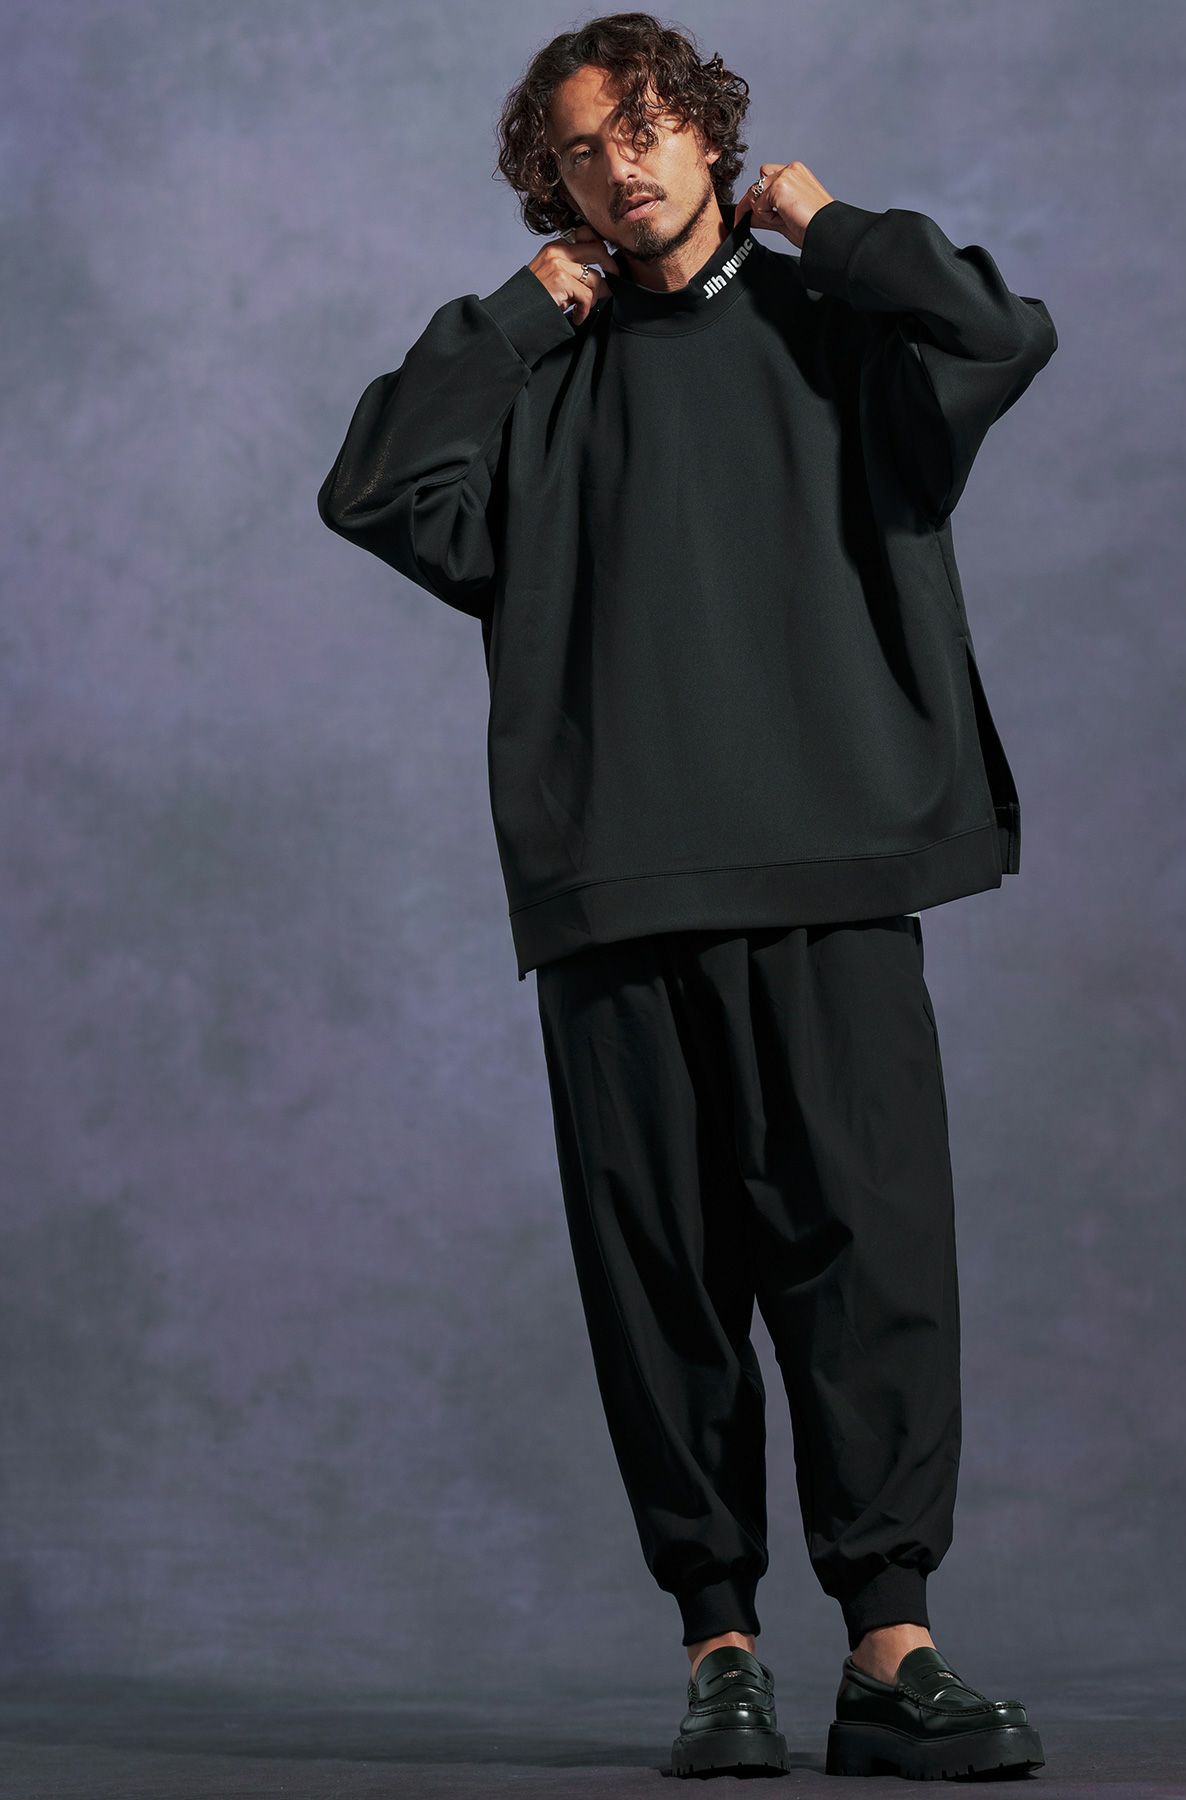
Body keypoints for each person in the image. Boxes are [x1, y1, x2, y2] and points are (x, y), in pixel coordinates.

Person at [316, 12, 1056, 1781]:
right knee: (662, 1284)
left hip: (836, 860)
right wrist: (516, 316)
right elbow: (376, 488)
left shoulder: (838, 333)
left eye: (645, 126)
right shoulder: (541, 383)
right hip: (617, 882)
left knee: (870, 1262)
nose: (620, 164)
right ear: (552, 183)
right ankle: (721, 1650)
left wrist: (835, 225)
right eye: (582, 147)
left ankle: (891, 1650)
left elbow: (1000, 330)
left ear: (710, 135)